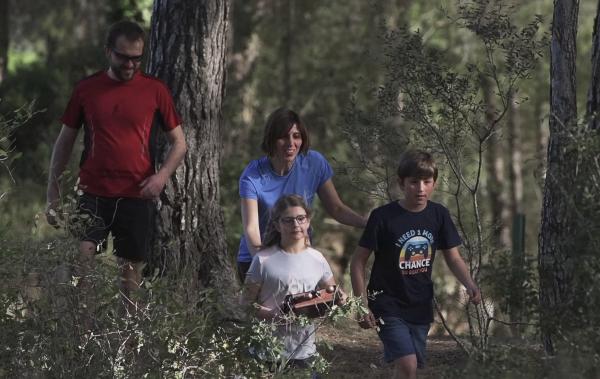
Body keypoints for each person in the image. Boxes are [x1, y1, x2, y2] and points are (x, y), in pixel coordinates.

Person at [45, 20, 187, 316]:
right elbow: (64, 144)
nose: (130, 64)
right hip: (93, 192)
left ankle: (128, 344)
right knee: (82, 266)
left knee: (130, 275)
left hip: (136, 196)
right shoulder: (87, 89)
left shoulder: (155, 90)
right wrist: (53, 196)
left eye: (137, 58)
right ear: (108, 52)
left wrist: (161, 178)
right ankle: (82, 340)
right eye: (123, 56)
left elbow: (180, 144)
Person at [350, 150, 481, 379]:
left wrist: (469, 283)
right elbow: (358, 261)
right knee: (408, 364)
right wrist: (361, 305)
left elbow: (454, 257)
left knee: (408, 369)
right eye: (413, 182)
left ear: (434, 184)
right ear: (401, 183)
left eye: (426, 182)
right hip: (386, 302)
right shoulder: (382, 217)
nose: (420, 188)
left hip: (420, 305)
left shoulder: (438, 215)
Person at [237, 107, 367, 282]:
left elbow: (336, 208)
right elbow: (251, 229)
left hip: (299, 257)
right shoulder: (253, 176)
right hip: (256, 260)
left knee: (313, 306)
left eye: (296, 136)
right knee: (266, 310)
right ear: (272, 139)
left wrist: (367, 223)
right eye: (283, 136)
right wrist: (265, 265)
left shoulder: (314, 163)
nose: (291, 143)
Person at [241, 194, 344, 373]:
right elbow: (246, 304)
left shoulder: (317, 259)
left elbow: (331, 293)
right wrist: (273, 314)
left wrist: (339, 298)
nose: (296, 225)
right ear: (277, 225)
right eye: (288, 220)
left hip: (304, 352)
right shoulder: (263, 259)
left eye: (300, 218)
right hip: (266, 352)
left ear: (308, 221)